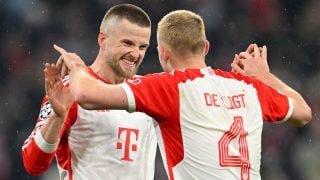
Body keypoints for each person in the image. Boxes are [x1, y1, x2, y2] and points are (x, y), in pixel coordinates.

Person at [51, 10, 312, 180]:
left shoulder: (170, 88)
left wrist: (77, 67)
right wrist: (264, 76)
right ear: (206, 47)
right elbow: (303, 112)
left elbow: (86, 94)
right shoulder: (249, 88)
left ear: (163, 52)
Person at [22, 4, 158, 180]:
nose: (135, 54)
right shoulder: (70, 90)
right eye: (127, 43)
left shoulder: (150, 91)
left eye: (142, 47)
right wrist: (58, 116)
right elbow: (33, 164)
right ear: (103, 39)